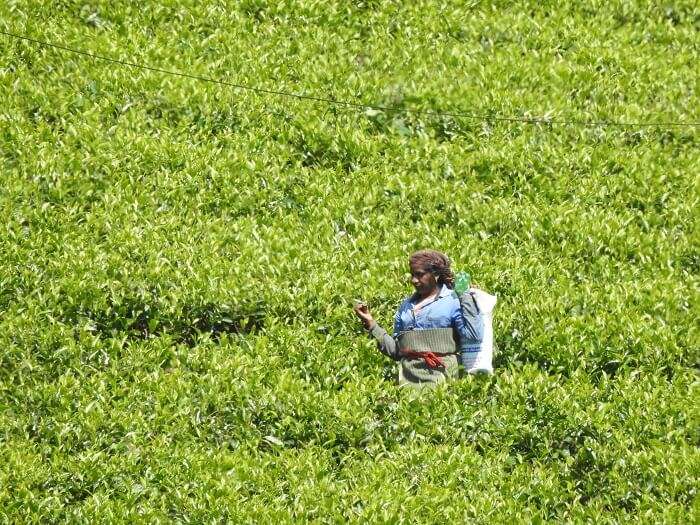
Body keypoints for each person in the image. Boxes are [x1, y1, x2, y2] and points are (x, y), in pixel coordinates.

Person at [354, 249, 484, 388]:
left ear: (436, 274)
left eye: (420, 275)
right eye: (412, 275)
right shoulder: (406, 306)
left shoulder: (452, 300)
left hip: (443, 378)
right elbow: (397, 352)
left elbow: (473, 335)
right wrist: (371, 324)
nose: (414, 280)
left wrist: (464, 295)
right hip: (407, 381)